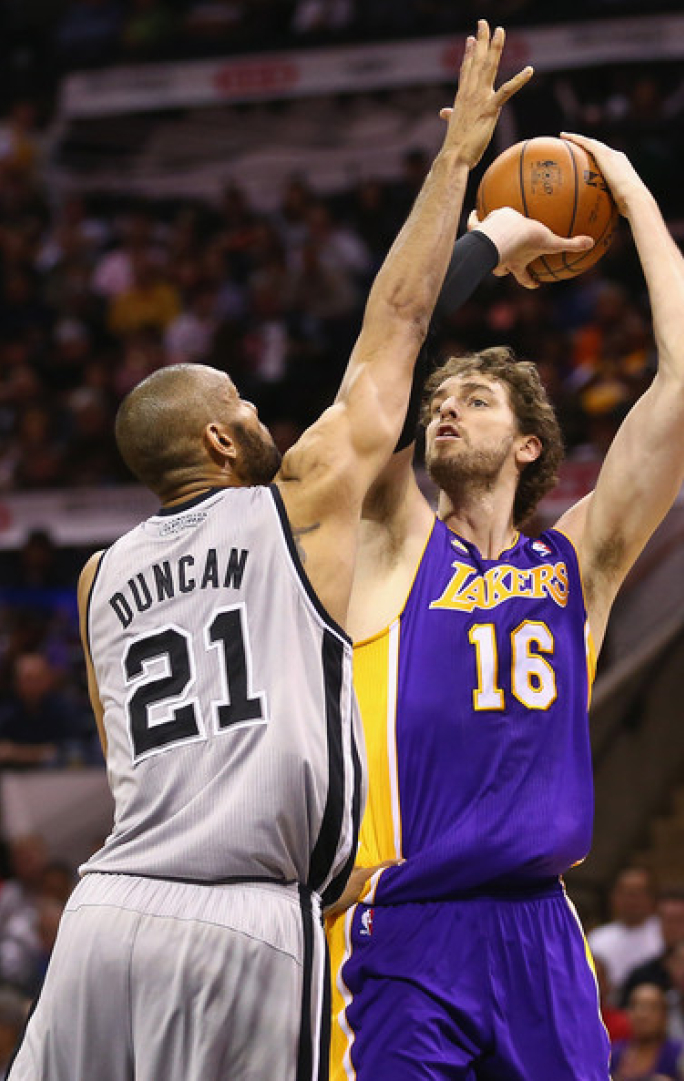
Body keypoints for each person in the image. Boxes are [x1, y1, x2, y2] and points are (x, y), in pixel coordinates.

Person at [6, 22, 563, 1081]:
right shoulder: (293, 506)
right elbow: (393, 327)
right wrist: (463, 177)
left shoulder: (94, 581)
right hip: (247, 920)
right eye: (248, 408)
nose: (267, 418)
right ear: (221, 439)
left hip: (103, 914)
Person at [327, 131, 684, 1079]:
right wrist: (486, 244)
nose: (445, 407)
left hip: (540, 923)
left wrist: (626, 191)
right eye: (441, 402)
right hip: (411, 926)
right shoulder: (394, 541)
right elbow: (389, 353)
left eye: (475, 399)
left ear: (530, 445)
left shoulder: (577, 559)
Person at [589, 865, 664, 1000]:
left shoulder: (663, 932)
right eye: (625, 893)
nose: (631, 900)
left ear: (652, 897)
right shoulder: (598, 938)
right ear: (613, 897)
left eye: (637, 893)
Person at [610, 983, 683, 1080]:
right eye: (635, 1006)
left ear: (665, 1016)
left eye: (652, 1008)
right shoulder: (613, 1054)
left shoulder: (679, 1055)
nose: (642, 1015)